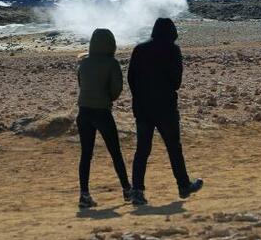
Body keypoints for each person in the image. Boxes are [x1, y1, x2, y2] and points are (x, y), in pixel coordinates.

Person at [127, 17, 203, 205]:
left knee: (142, 150)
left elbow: (131, 79)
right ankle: (183, 185)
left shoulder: (139, 49)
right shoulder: (172, 50)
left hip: (143, 108)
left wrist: (139, 97)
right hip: (166, 108)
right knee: (174, 148)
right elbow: (176, 81)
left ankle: (137, 190)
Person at [75, 28, 131, 209]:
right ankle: (127, 189)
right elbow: (116, 89)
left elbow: (81, 84)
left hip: (83, 111)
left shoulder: (83, 63)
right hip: (102, 112)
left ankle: (84, 194)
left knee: (86, 154)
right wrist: (107, 98)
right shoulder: (111, 63)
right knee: (115, 152)